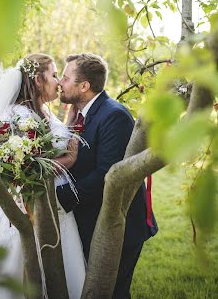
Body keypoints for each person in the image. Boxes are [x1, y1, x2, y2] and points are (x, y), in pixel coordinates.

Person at [0, 53, 86, 299]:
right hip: (32, 205)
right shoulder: (18, 116)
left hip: (56, 204)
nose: (58, 81)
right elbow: (30, 169)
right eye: (54, 75)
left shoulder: (43, 111)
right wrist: (70, 160)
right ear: (37, 80)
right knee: (27, 265)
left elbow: (55, 139)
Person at [56, 53, 158, 299]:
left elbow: (107, 175)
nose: (60, 82)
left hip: (120, 226)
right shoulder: (80, 114)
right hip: (91, 218)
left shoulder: (113, 116)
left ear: (84, 86)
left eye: (66, 78)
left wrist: (58, 197)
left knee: (113, 292)